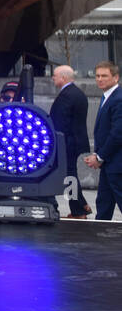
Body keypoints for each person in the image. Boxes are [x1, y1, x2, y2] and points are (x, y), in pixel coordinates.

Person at [50, 65, 92, 218]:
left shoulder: (68, 95)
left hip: (67, 143)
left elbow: (61, 122)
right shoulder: (76, 93)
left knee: (69, 177)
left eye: (55, 75)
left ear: (63, 77)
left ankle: (79, 208)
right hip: (71, 142)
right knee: (69, 176)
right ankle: (80, 207)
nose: (53, 78)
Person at [85, 61, 121, 221]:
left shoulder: (118, 99)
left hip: (117, 164)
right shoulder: (107, 96)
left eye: (104, 76)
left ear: (116, 77)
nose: (100, 79)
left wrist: (99, 157)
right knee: (104, 203)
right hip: (109, 163)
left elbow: (117, 134)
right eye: (97, 76)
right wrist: (98, 155)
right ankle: (98, 236)